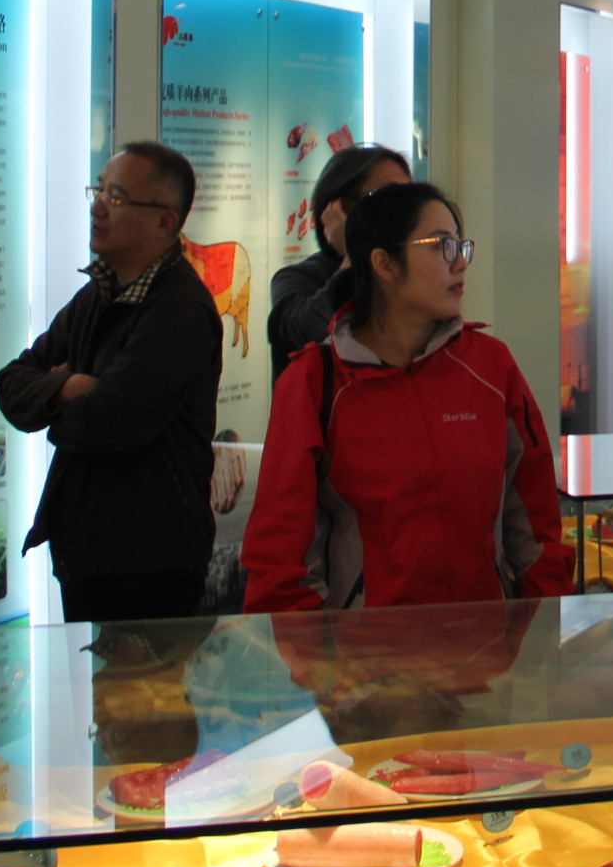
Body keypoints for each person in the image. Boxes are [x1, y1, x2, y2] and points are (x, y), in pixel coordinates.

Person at [242, 181, 572, 610]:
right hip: (364, 645)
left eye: (461, 246)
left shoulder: (490, 366)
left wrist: (544, 629)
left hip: (483, 640)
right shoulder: (315, 381)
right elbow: (279, 554)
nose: (460, 263)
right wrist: (309, 649)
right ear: (384, 263)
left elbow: (535, 522)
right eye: (442, 246)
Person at [0, 141, 221, 623]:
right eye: (97, 191)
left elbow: (110, 423)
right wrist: (68, 388)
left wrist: (61, 404)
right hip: (87, 553)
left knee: (149, 677)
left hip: (150, 562)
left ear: (164, 221)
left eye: (116, 197)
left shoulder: (180, 311)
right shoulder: (97, 294)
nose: (97, 207)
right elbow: (10, 384)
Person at [267, 143, 411, 379]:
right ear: (342, 209)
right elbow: (308, 335)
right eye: (390, 198)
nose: (406, 212)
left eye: (410, 199)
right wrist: (355, 250)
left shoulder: (408, 272)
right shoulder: (297, 278)